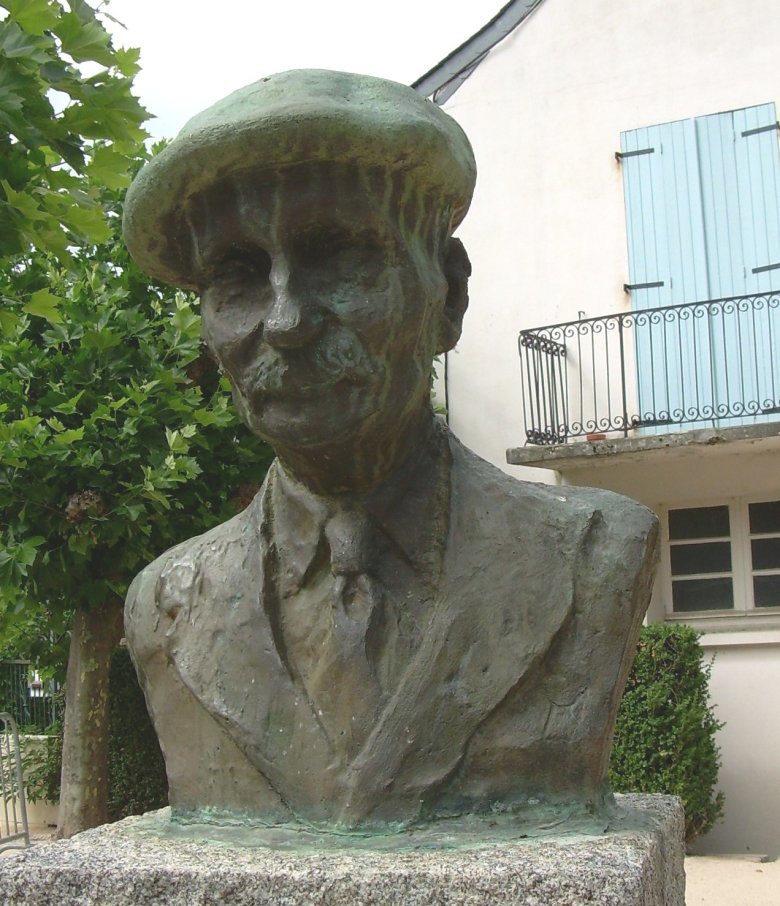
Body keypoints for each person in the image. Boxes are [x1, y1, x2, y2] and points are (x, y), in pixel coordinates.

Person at [123, 70, 659, 831]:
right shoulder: (165, 605)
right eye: (236, 276)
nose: (285, 322)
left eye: (341, 258)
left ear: (448, 296)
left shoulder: (596, 554)